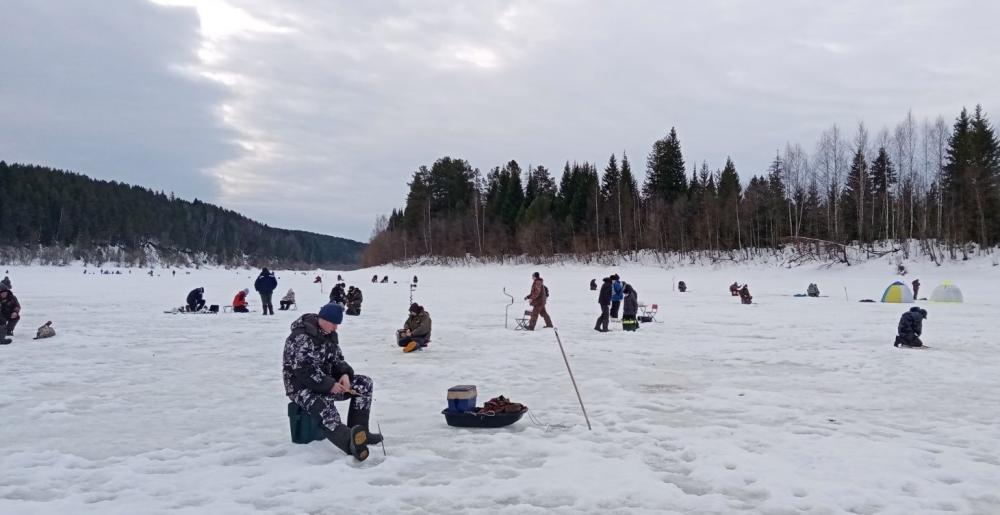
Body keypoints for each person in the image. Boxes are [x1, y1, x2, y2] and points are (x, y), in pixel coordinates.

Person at [283, 303, 381, 461]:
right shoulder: (300, 337)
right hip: (300, 387)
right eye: (334, 323)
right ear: (323, 319)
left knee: (364, 384)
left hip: (325, 382)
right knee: (325, 407)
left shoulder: (329, 334)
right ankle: (350, 442)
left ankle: (361, 433)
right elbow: (303, 370)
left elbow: (337, 360)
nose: (336, 328)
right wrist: (329, 385)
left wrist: (344, 375)